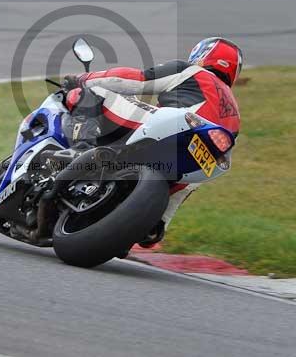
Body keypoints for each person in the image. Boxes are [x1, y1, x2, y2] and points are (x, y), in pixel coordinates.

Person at [64, 37, 243, 248]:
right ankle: (157, 225)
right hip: (188, 161)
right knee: (193, 182)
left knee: (91, 93)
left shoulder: (192, 72)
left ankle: (77, 150)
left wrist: (84, 78)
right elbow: (190, 183)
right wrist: (160, 219)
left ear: (203, 55)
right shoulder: (236, 115)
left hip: (170, 128)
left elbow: (135, 80)